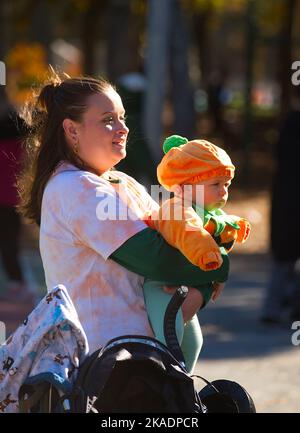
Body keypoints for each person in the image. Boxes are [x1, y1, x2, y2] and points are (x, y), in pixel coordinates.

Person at [17, 70, 229, 369]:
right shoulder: (74, 187)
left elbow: (175, 236)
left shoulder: (118, 181)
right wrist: (217, 269)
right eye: (108, 120)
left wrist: (206, 272)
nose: (123, 128)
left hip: (138, 360)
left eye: (123, 117)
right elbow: (156, 259)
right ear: (72, 131)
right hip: (107, 365)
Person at [143, 135, 250, 372]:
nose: (223, 191)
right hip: (160, 286)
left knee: (193, 343)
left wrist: (233, 228)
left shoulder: (205, 210)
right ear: (187, 185)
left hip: (180, 283)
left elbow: (220, 224)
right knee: (168, 336)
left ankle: (181, 387)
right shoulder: (176, 208)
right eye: (215, 184)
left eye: (226, 185)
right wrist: (211, 258)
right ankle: (159, 383)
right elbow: (191, 234)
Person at [261, 87, 300, 324]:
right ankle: (289, 305)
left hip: (285, 197)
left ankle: (273, 307)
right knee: (285, 259)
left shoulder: (289, 123)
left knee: (283, 259)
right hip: (289, 198)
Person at [0, 87, 31, 301]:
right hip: (11, 193)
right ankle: (17, 282)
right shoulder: (18, 122)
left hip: (7, 193)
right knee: (10, 241)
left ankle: (17, 282)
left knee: (9, 242)